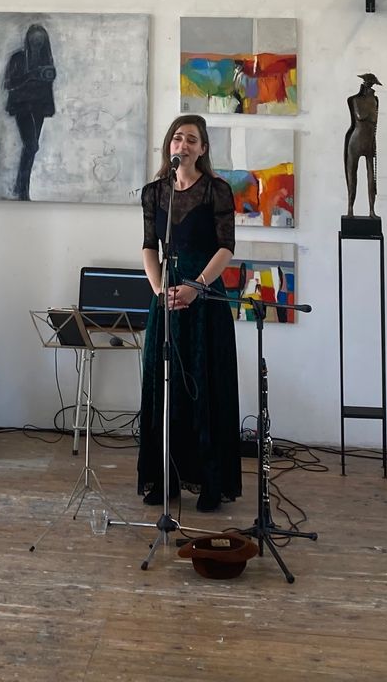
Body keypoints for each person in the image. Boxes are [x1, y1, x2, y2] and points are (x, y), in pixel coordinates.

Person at [138, 113, 241, 513]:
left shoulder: (217, 190)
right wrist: (159, 290)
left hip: (205, 295)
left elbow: (226, 248)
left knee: (206, 383)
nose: (183, 145)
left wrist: (196, 287)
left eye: (192, 140)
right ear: (170, 145)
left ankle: (211, 483)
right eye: (178, 138)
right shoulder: (154, 193)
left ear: (203, 149)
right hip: (166, 295)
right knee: (164, 385)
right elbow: (149, 246)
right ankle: (165, 477)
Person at [3, 22, 56, 200]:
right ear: (28, 39)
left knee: (31, 147)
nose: (37, 44)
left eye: (40, 41)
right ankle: (22, 189)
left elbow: (48, 88)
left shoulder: (45, 61)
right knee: (31, 146)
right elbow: (8, 84)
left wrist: (49, 105)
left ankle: (20, 187)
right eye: (34, 40)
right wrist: (29, 76)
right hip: (22, 106)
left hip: (39, 107)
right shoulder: (18, 58)